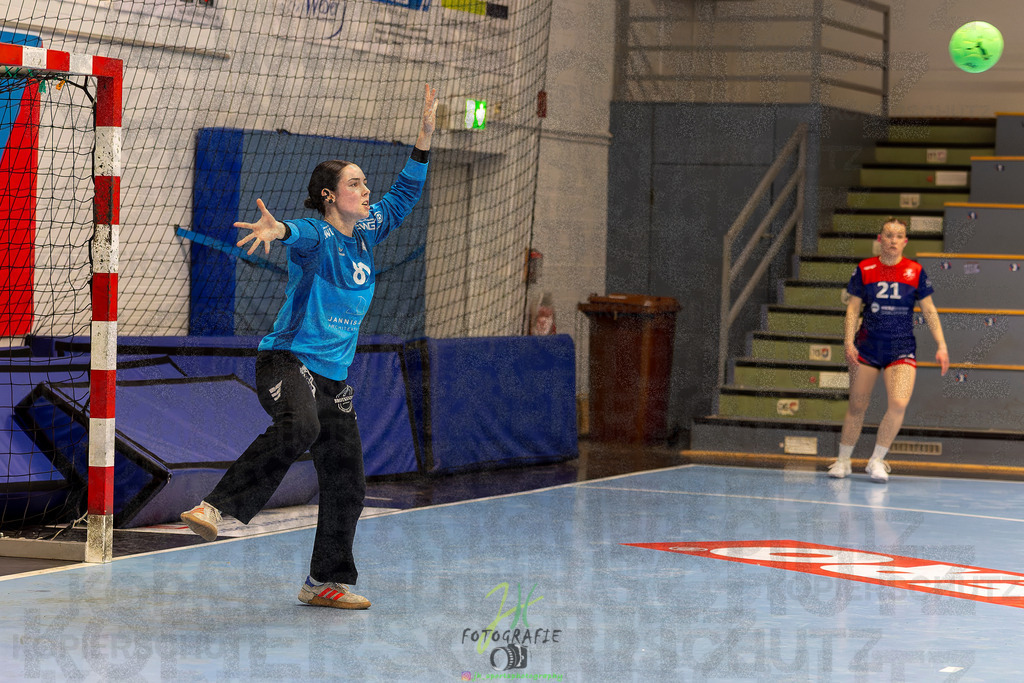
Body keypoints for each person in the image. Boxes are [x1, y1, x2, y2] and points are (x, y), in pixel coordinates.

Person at [180, 84, 439, 610]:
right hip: (287, 360)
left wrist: (424, 143)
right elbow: (296, 232)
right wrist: (277, 229)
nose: (366, 190)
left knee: (348, 480)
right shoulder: (319, 237)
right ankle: (216, 507)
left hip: (333, 379)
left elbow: (404, 196)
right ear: (329, 195)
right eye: (355, 183)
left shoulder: (366, 231)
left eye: (366, 183)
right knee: (301, 426)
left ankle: (325, 581)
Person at [828, 217, 949, 483]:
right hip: (867, 347)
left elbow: (929, 309)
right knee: (857, 405)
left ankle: (876, 460)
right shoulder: (865, 268)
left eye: (898, 236)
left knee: (898, 402)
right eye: (888, 235)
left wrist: (941, 345)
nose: (893, 240)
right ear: (880, 239)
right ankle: (843, 460)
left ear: (905, 241)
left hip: (901, 348)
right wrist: (848, 341)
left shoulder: (915, 271)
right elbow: (852, 308)